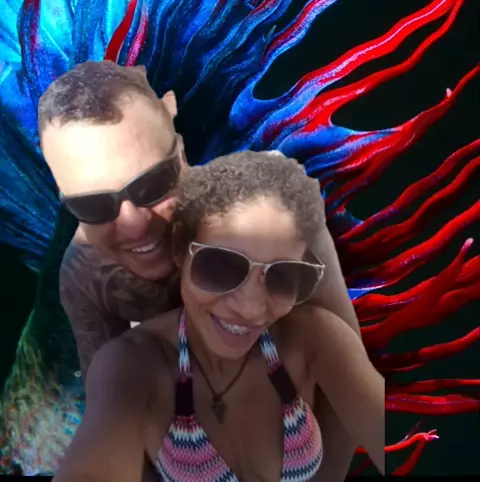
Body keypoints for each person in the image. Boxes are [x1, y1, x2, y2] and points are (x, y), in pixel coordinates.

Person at [39, 60, 362, 478]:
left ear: (180, 148)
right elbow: (118, 417)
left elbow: (346, 381)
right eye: (93, 206)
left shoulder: (273, 206)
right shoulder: (85, 276)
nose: (134, 225)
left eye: (152, 183)